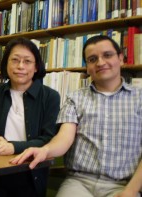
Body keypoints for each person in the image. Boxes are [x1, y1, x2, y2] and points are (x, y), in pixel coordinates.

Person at [10, 35, 142, 197]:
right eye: (92, 59)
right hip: (79, 183)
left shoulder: (140, 98)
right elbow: (64, 138)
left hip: (124, 184)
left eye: (107, 55)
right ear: (87, 67)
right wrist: (45, 150)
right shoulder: (75, 98)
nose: (100, 62)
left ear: (121, 58)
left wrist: (130, 191)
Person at [0, 37, 60, 197]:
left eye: (27, 61)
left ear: (36, 66)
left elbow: (48, 138)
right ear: (6, 64)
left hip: (31, 170)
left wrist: (13, 147)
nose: (20, 66)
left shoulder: (50, 96)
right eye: (15, 60)